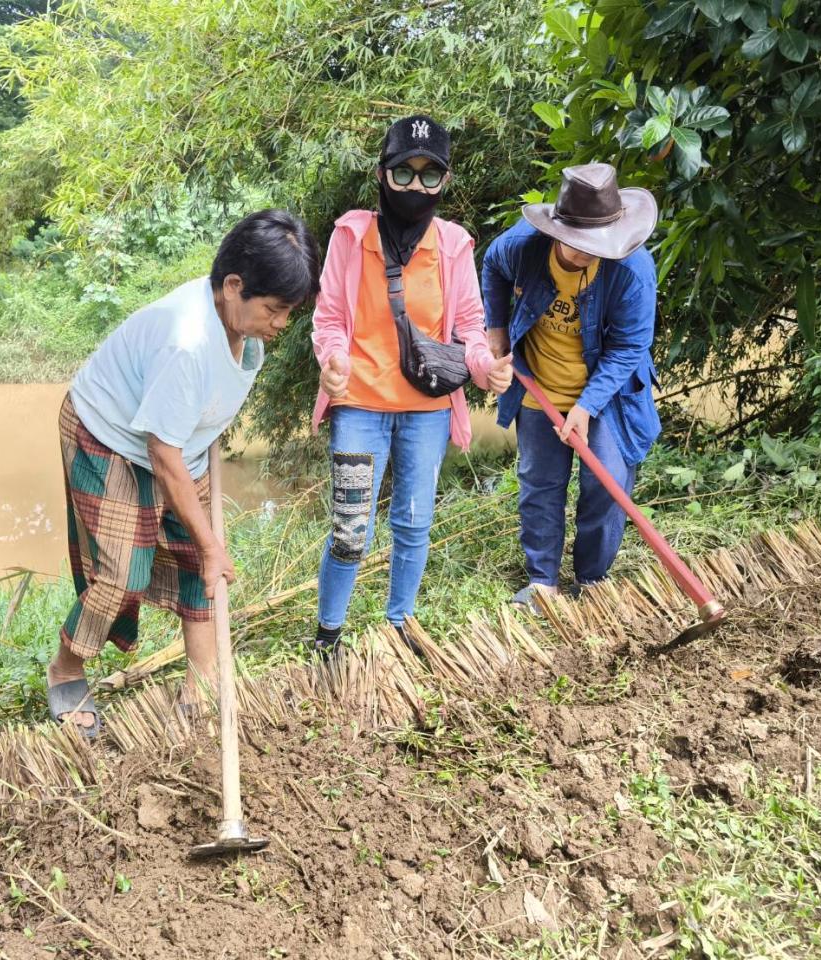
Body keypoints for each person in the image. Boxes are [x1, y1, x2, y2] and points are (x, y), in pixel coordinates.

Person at [48, 210, 321, 735]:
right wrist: (213, 543)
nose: (282, 323)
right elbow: (161, 454)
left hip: (175, 444)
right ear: (234, 286)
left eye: (289, 311)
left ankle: (201, 682)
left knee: (202, 563)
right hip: (109, 436)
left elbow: (196, 415)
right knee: (121, 574)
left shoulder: (238, 324)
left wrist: (207, 546)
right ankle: (66, 669)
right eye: (275, 309)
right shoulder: (187, 341)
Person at [310, 115, 514, 656]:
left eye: (430, 176)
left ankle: (400, 627)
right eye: (404, 173)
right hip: (358, 403)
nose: (416, 187)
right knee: (350, 530)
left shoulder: (453, 244)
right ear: (383, 174)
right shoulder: (351, 236)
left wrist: (486, 367)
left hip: (427, 408)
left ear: (445, 181)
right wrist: (332, 359)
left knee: (414, 522)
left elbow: (469, 327)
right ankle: (328, 637)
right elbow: (328, 319)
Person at [482, 163, 661, 609]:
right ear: (557, 229)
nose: (589, 252)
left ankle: (591, 580)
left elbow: (630, 346)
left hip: (608, 394)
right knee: (539, 482)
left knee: (608, 481)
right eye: (580, 242)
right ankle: (542, 580)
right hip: (539, 382)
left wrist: (586, 406)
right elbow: (492, 266)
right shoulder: (522, 247)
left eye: (598, 242)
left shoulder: (632, 269)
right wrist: (496, 328)